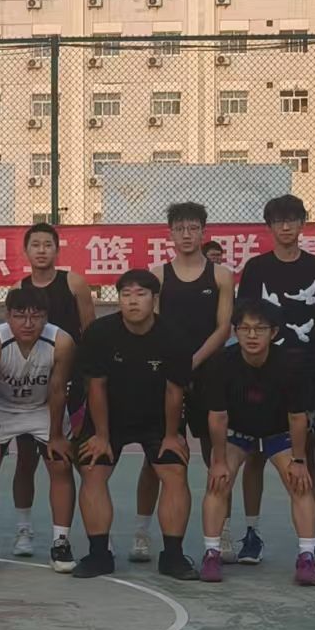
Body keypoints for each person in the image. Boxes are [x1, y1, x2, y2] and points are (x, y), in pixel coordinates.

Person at [73, 271, 200, 580]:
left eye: (140, 294)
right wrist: (101, 435)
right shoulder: (100, 333)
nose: (132, 301)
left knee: (174, 470)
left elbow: (175, 391)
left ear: (154, 300)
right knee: (92, 468)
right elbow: (96, 386)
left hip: (157, 418)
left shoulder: (174, 335)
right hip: (110, 416)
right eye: (126, 294)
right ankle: (99, 555)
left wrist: (171, 435)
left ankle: (172, 556)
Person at [234, 193, 315, 564]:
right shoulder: (256, 268)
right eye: (279, 221)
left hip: (305, 371)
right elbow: (244, 317)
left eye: (293, 220)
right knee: (254, 454)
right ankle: (251, 533)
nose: (286, 227)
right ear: (270, 227)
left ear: (303, 224)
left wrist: (304, 354)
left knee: (305, 452)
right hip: (260, 373)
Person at [137, 202, 233, 564]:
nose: (187, 235)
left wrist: (192, 362)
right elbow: (153, 326)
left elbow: (223, 328)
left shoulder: (221, 276)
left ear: (204, 232)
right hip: (167, 376)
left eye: (193, 228)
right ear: (170, 234)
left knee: (216, 456)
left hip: (209, 372)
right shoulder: (157, 275)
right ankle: (142, 532)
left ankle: (222, 532)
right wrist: (175, 366)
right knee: (157, 456)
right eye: (180, 229)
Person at [200, 299, 315, 585]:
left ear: (274, 332)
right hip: (238, 433)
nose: (252, 335)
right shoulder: (220, 364)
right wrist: (218, 461)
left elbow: (297, 418)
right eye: (245, 329)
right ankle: (212, 553)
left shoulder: (291, 365)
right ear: (235, 331)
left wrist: (299, 460)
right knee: (218, 481)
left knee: (300, 483)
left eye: (260, 329)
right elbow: (218, 417)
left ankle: (307, 555)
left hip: (278, 433)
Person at [0, 286, 74, 572]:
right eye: (20, 316)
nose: (28, 323)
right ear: (7, 316)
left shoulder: (61, 342)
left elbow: (58, 390)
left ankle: (60, 542)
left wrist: (56, 436)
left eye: (36, 316)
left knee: (60, 464)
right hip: (2, 408)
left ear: (46, 317)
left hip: (42, 407)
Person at [12, 224, 95, 557]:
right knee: (26, 461)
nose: (42, 250)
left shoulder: (73, 283)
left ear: (57, 250)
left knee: (68, 461)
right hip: (31, 388)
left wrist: (86, 379)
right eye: (36, 244)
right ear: (26, 251)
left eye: (48, 244)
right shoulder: (19, 288)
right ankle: (24, 530)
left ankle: (79, 533)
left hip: (71, 386)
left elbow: (90, 333)